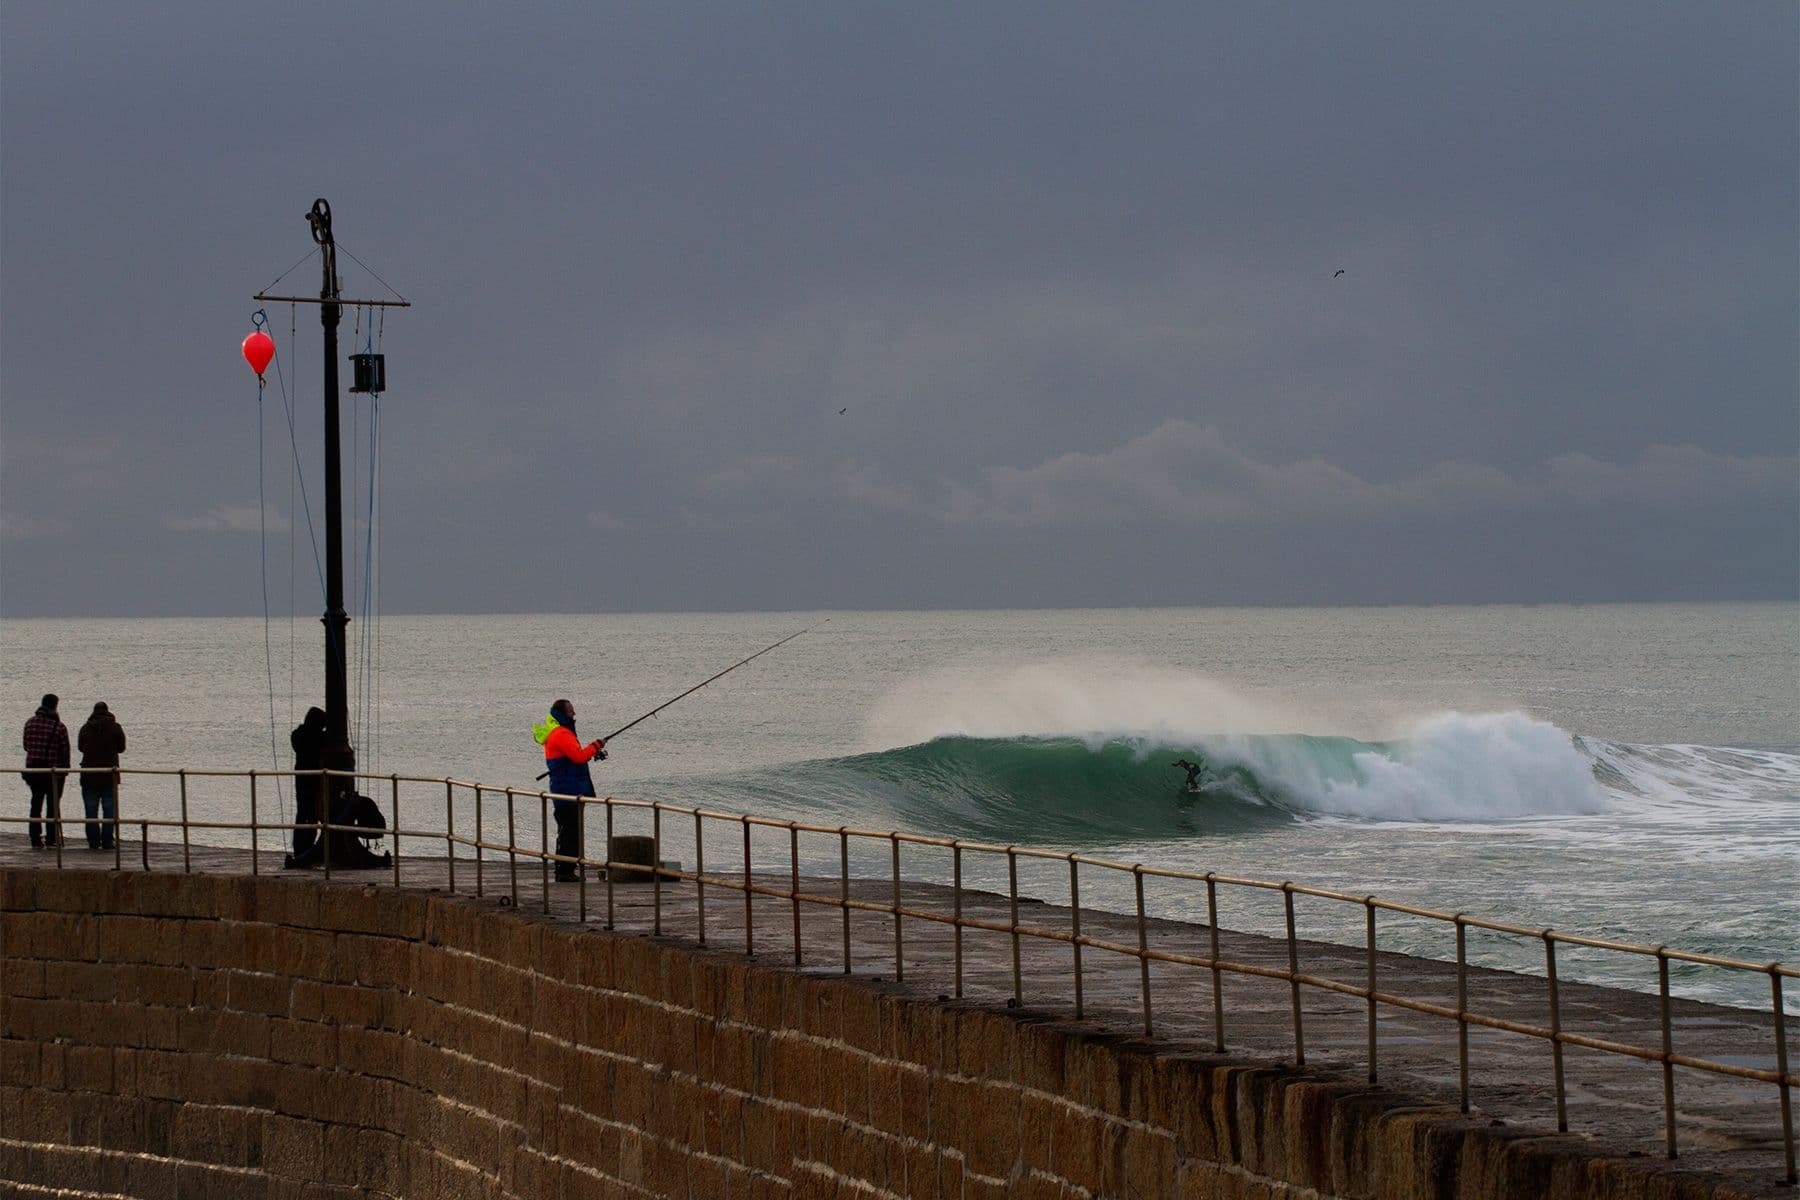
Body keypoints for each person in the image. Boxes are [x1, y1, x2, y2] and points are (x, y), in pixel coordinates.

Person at [534, 699, 606, 881]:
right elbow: (579, 757)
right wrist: (596, 745)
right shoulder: (561, 734)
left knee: (568, 831)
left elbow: (574, 757)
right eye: (571, 711)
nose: (574, 714)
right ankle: (565, 871)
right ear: (563, 714)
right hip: (568, 790)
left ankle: (564, 869)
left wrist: (592, 749)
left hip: (565, 788)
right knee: (570, 832)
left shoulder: (560, 733)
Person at [22, 694, 70, 849]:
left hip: (33, 770)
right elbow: (65, 751)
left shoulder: (30, 723)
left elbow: (26, 746)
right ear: (55, 706)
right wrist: (65, 769)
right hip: (52, 772)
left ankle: (35, 838)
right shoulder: (59, 727)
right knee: (53, 805)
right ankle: (51, 838)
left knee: (36, 803)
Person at [77, 702, 126, 851]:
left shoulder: (85, 728)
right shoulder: (115, 728)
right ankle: (107, 840)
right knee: (109, 809)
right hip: (109, 775)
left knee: (90, 810)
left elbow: (80, 747)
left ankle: (93, 841)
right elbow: (121, 748)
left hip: (89, 775)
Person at [289, 707, 328, 860]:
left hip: (301, 779)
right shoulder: (318, 738)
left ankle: (300, 849)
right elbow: (319, 742)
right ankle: (308, 848)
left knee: (303, 814)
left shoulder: (298, 736)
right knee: (313, 814)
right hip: (315, 780)